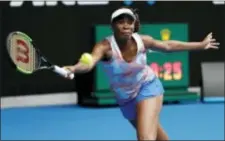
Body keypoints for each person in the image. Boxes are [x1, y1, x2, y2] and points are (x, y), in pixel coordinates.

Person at [63, 7, 219, 140]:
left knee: (145, 138)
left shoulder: (142, 41)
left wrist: (200, 45)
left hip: (148, 87)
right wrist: (74, 68)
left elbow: (168, 46)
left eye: (129, 22)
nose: (125, 26)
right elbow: (89, 63)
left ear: (134, 25)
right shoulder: (105, 47)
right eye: (120, 22)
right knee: (158, 137)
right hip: (125, 99)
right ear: (112, 26)